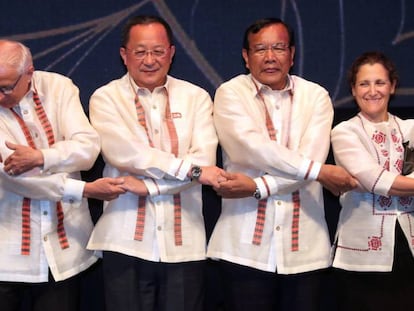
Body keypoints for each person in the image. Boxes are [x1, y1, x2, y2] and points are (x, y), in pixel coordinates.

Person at [206, 17, 357, 311]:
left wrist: (257, 186)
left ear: (292, 54)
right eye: (260, 49)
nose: (270, 57)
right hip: (243, 246)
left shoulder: (315, 96)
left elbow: (309, 158)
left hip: (304, 247)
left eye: (278, 47)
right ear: (246, 57)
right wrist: (318, 172)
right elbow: (253, 149)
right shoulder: (229, 93)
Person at [86, 15, 225, 311]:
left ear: (172, 53)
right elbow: (125, 153)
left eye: (158, 51)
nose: (149, 60)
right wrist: (190, 170)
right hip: (124, 240)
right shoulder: (106, 98)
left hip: (184, 240)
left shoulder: (196, 97)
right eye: (140, 52)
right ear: (124, 55)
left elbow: (204, 160)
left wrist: (147, 187)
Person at [0, 39, 126, 311]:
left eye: (6, 87)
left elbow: (88, 148)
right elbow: (13, 177)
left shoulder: (58, 88)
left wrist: (42, 157)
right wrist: (85, 189)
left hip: (63, 251)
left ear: (29, 73)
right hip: (5, 253)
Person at [331, 51, 414, 311]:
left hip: (409, 249)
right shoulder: (344, 132)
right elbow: (376, 180)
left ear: (392, 86)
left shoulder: (411, 128)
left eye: (379, 82)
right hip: (361, 253)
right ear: (354, 90)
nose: (372, 91)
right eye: (364, 84)